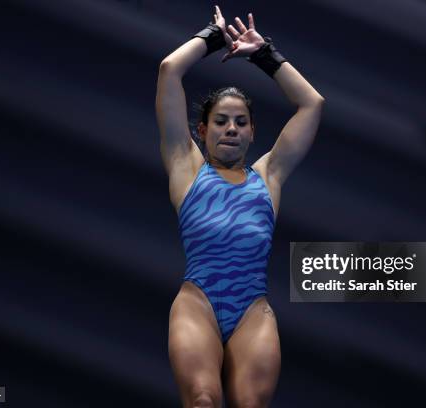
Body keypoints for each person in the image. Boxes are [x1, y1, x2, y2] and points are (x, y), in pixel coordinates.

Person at [156, 6, 324, 407]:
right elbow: (169, 70)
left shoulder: (269, 176)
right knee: (201, 400)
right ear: (202, 130)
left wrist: (264, 53)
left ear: (252, 133)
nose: (231, 128)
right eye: (220, 121)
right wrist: (212, 38)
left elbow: (312, 104)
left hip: (252, 310)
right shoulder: (186, 167)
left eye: (240, 122)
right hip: (198, 304)